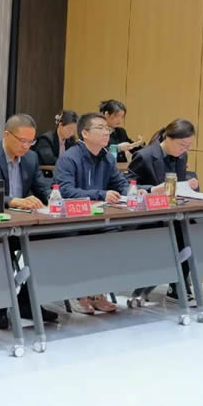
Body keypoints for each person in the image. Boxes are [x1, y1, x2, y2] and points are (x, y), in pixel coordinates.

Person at [0, 114, 57, 329]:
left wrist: (54, 198)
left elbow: (42, 187)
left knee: (50, 240)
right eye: (22, 140)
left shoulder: (31, 158)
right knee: (3, 247)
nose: (26, 146)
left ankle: (26, 301)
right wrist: (14, 201)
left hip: (20, 224)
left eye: (31, 141)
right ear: (6, 135)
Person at [126, 118, 203, 302]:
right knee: (181, 234)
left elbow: (177, 186)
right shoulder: (145, 155)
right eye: (182, 145)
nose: (185, 150)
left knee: (193, 231)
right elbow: (127, 186)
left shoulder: (182, 156)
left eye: (188, 146)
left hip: (171, 213)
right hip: (147, 216)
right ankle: (172, 283)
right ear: (169, 138)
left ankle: (178, 283)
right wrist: (152, 189)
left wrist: (187, 186)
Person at [54, 112, 129, 314]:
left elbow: (120, 184)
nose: (106, 132)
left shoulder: (107, 158)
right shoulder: (69, 158)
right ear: (85, 133)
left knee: (115, 236)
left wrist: (134, 192)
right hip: (71, 221)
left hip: (98, 219)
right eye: (100, 128)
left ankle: (97, 291)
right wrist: (101, 194)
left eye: (107, 129)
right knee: (81, 241)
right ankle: (78, 292)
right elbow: (65, 191)